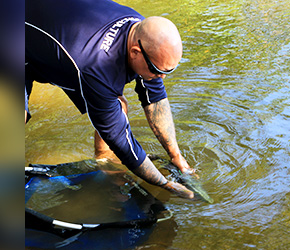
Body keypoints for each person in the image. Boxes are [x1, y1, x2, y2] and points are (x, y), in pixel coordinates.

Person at [25, 0, 194, 198]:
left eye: (169, 71)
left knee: (117, 104)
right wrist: (165, 184)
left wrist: (177, 157)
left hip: (47, 28)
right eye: (158, 70)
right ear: (135, 53)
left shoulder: (141, 30)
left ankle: (104, 160)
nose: (162, 77)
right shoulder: (96, 66)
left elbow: (154, 96)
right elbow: (120, 138)